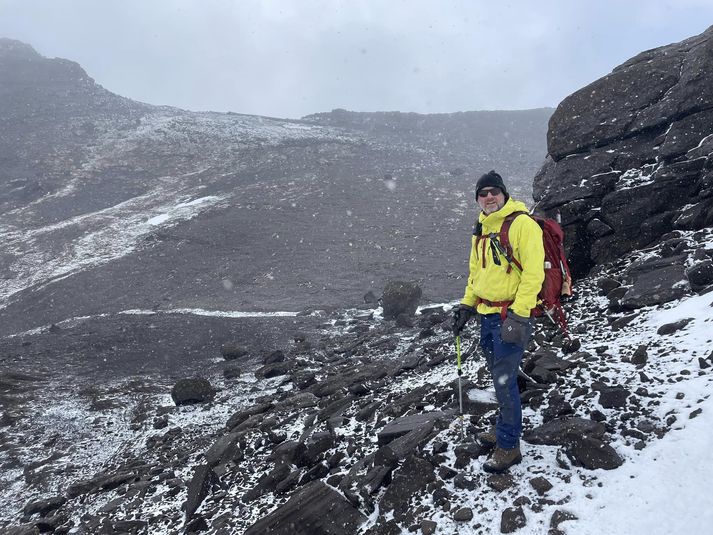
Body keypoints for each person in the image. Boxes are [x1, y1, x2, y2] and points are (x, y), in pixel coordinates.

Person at [452, 170, 544, 473]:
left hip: (510, 316)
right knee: (499, 378)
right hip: (487, 315)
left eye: (494, 191)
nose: (489, 197)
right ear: (478, 200)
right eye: (483, 193)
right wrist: (467, 306)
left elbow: (533, 274)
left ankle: (508, 446)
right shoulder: (481, 230)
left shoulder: (521, 225)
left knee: (504, 383)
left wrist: (519, 314)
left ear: (504, 194)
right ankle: (505, 426)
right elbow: (475, 274)